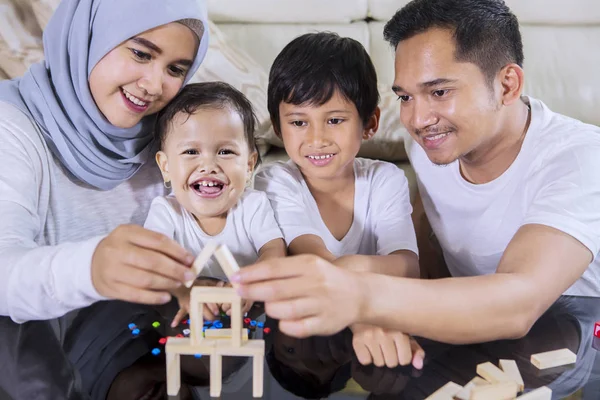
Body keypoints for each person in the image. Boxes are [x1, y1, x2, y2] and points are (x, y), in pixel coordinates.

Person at [232, 0, 600, 347]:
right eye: (405, 97)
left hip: (577, 339)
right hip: (466, 334)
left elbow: (519, 303)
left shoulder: (581, 156)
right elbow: (425, 237)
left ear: (507, 85)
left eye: (439, 91)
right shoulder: (429, 147)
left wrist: (359, 297)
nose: (417, 120)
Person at [0, 0, 208, 397]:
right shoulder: (11, 128)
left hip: (133, 344)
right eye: (141, 53)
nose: (153, 84)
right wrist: (92, 266)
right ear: (89, 37)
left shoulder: (170, 141)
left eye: (175, 69)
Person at [254, 32, 423, 369]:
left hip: (379, 318)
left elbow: (409, 267)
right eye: (299, 122)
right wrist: (363, 292)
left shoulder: (385, 179)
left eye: (334, 120)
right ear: (278, 127)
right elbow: (311, 255)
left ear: (369, 123)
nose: (317, 139)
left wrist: (344, 271)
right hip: (311, 324)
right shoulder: (274, 180)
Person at [144, 81, 286, 326]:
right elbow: (150, 264)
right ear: (166, 167)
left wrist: (249, 285)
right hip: (182, 314)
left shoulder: (253, 205)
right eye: (191, 152)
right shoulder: (166, 211)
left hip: (247, 313)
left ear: (250, 165)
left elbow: (274, 253)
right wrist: (184, 288)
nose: (208, 165)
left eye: (225, 152)